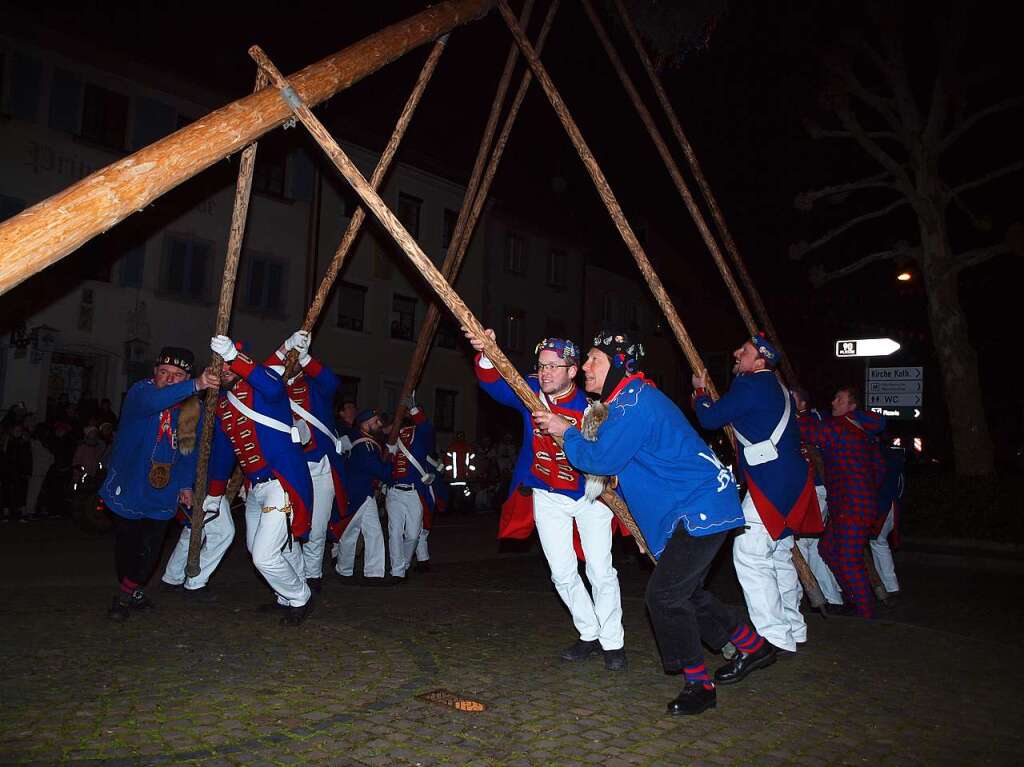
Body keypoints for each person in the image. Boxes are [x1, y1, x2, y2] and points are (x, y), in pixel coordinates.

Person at [533, 329, 773, 716]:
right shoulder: (625, 402)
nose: (587, 367)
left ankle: (699, 683)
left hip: (701, 507)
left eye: (595, 359)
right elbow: (629, 474)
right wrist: (640, 532)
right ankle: (753, 646)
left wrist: (567, 431)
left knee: (663, 596)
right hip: (698, 507)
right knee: (687, 592)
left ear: (617, 365)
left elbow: (600, 460)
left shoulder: (633, 402)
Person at [466, 328, 626, 672]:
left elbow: (608, 457)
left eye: (554, 367)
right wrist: (485, 351)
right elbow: (493, 384)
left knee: (600, 570)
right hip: (546, 494)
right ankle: (589, 633)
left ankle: (613, 641)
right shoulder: (530, 393)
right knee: (562, 573)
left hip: (589, 496)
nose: (545, 373)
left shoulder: (593, 408)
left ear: (572, 371)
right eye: (541, 366)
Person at [691, 333, 823, 654]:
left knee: (750, 554)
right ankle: (793, 627)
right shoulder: (777, 389)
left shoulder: (750, 384)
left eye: (745, 351)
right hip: (790, 481)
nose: (737, 353)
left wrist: (698, 392)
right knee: (778, 554)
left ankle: (774, 636)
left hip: (770, 483)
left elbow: (710, 417)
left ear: (760, 361)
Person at [98, 347, 217, 620]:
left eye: (178, 375)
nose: (169, 379)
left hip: (164, 490)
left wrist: (186, 485)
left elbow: (189, 452)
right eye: (164, 372)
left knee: (151, 549)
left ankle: (125, 595)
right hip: (130, 485)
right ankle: (132, 589)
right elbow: (155, 402)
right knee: (127, 547)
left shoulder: (192, 408)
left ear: (185, 376)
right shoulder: (141, 393)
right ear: (155, 372)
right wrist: (196, 384)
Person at [205, 335, 315, 626]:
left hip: (281, 482)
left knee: (264, 556)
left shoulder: (262, 383)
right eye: (221, 367)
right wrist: (215, 493)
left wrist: (233, 356)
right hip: (254, 488)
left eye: (229, 365)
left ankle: (300, 596)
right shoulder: (223, 407)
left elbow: (272, 384)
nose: (225, 370)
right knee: (260, 548)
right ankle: (286, 597)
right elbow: (223, 452)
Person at [266, 330, 350, 594]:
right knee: (289, 528)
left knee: (316, 527)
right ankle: (295, 577)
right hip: (290, 469)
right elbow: (259, 376)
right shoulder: (273, 391)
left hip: (319, 466)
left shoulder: (314, 387)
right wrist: (283, 349)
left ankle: (313, 576)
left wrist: (306, 358)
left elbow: (331, 382)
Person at [798, 385, 886, 618]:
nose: (833, 402)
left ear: (852, 406)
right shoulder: (857, 428)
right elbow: (878, 468)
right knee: (827, 548)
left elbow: (810, 433)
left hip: (853, 506)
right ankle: (856, 599)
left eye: (839, 399)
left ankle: (865, 611)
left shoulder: (841, 427)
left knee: (848, 557)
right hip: (848, 505)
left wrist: (799, 412)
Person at [791, 388, 843, 608]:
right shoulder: (811, 420)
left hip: (816, 491)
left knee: (805, 543)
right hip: (812, 491)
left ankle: (827, 596)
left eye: (792, 400)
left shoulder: (811, 421)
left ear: (802, 404)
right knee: (809, 545)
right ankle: (833, 594)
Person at [334, 408, 390, 585]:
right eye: (376, 422)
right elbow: (380, 471)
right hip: (359, 493)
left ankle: (372, 573)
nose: (379, 424)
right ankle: (344, 571)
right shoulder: (366, 445)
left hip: (364, 493)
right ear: (365, 424)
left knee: (372, 532)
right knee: (350, 532)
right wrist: (391, 458)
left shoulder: (364, 440)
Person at [384, 393, 436, 582]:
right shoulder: (392, 436)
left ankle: (404, 563)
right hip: (394, 492)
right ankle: (397, 571)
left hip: (414, 492)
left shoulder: (420, 434)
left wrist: (415, 409)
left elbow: (426, 429)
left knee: (413, 534)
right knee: (394, 532)